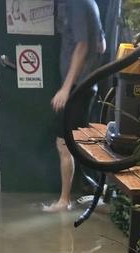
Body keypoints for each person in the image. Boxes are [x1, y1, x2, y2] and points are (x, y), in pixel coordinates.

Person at [43, 0, 105, 213]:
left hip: (78, 88)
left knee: (64, 144)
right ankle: (93, 191)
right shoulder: (89, 4)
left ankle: (65, 200)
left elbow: (83, 46)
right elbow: (101, 45)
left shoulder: (77, 4)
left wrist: (66, 88)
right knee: (75, 144)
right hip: (85, 86)